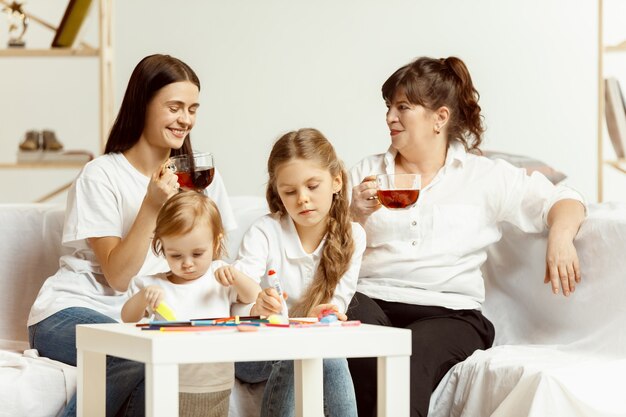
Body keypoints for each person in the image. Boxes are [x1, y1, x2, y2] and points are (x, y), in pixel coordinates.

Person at [346, 56, 586, 417]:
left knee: (410, 357)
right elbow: (330, 249)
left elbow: (565, 199)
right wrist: (354, 216)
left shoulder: (484, 177)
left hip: (449, 312)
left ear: (440, 118)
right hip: (373, 299)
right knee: (352, 328)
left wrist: (562, 237)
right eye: (388, 107)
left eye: (403, 107)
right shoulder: (366, 172)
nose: (390, 117)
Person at [27, 54, 236, 417]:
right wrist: (151, 206)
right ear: (143, 105)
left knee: (163, 363)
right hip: (73, 312)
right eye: (174, 107)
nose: (185, 119)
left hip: (149, 319)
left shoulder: (201, 177)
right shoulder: (101, 175)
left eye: (192, 108)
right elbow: (119, 276)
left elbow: (214, 261)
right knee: (142, 354)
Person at [230, 128, 366, 417]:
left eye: (312, 186)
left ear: (337, 181)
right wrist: (256, 306)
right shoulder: (265, 232)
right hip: (254, 351)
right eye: (290, 192)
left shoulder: (353, 235)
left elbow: (338, 302)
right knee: (309, 348)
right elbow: (234, 293)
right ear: (278, 193)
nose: (302, 199)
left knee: (323, 352)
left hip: (308, 342)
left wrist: (330, 313)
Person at [122, 190, 260, 417]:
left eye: (197, 253)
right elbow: (127, 317)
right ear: (161, 247)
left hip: (217, 383)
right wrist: (143, 297)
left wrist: (237, 277)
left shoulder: (220, 276)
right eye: (176, 255)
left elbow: (254, 295)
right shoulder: (154, 286)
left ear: (216, 243)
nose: (187, 264)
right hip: (169, 384)